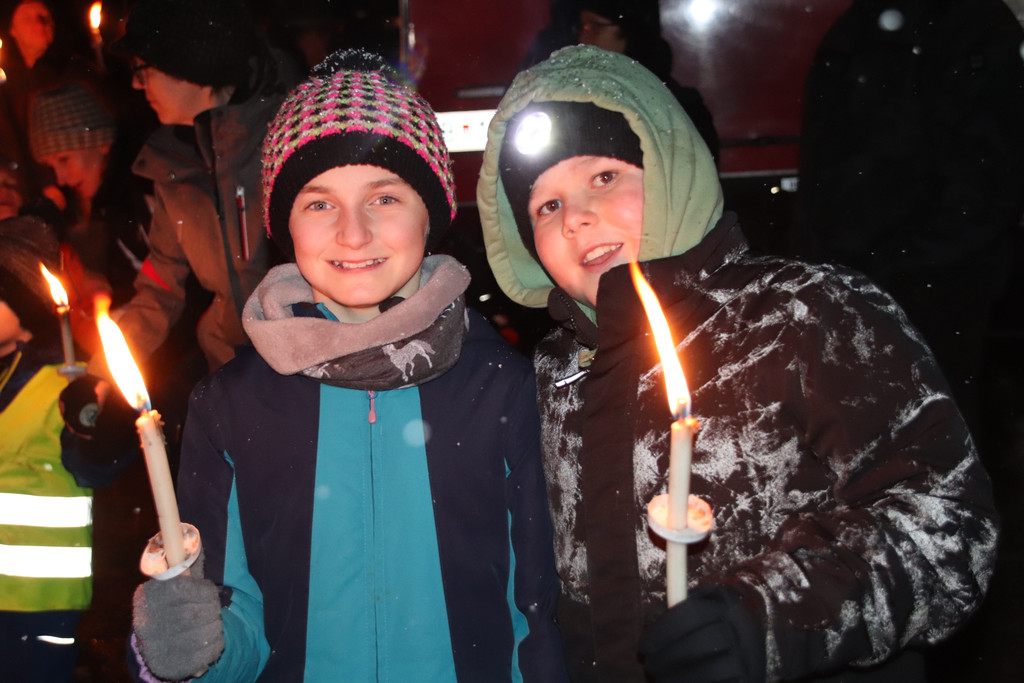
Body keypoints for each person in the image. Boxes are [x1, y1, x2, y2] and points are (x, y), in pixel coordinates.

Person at [478, 44, 997, 682]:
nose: (576, 218)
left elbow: (945, 523)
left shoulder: (803, 313)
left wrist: (768, 621)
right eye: (546, 205)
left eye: (605, 177)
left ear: (671, 172)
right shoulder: (553, 372)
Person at [128, 50, 568, 682]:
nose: (353, 234)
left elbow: (534, 616)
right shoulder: (230, 405)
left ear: (431, 215)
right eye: (319, 204)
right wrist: (190, 650)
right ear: (284, 224)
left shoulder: (500, 387)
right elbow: (236, 624)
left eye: (384, 197)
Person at [791, 0, 1024, 436]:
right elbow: (827, 165)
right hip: (861, 283)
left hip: (929, 292)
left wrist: (890, 268)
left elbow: (985, 185)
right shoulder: (866, 23)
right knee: (866, 436)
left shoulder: (966, 24)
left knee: (934, 436)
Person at [95, 0, 286, 377]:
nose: (136, 84)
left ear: (191, 65)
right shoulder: (174, 166)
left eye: (143, 69)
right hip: (228, 374)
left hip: (300, 378)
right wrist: (102, 375)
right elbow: (159, 288)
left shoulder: (283, 146)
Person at [0, 215, 135, 683]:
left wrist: (93, 425)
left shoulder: (62, 385)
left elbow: (96, 467)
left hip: (38, 598)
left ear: (25, 308)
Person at [575, 0, 720, 164]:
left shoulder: (679, 110)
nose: (582, 38)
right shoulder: (576, 98)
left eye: (594, 27)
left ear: (629, 31)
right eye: (581, 26)